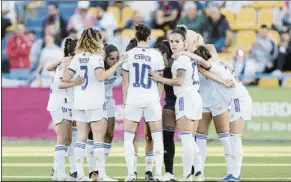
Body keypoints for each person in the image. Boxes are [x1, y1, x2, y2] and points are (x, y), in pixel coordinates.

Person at [62, 28, 124, 181]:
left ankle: (81, 175)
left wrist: (75, 82)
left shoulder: (77, 58)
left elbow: (64, 77)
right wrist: (119, 63)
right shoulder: (96, 58)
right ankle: (101, 175)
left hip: (79, 102)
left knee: (81, 138)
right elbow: (101, 76)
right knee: (98, 139)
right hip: (96, 102)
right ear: (96, 40)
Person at [150, 26, 203, 181]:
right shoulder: (190, 57)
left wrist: (160, 79)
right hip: (195, 98)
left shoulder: (180, 59)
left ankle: (187, 176)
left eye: (177, 41)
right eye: (171, 41)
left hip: (185, 98)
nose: (173, 44)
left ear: (184, 43)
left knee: (187, 140)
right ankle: (198, 172)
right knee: (192, 141)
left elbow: (179, 81)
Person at [185, 45, 236, 181]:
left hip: (219, 103)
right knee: (200, 138)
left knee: (224, 137)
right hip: (204, 104)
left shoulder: (213, 65)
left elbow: (206, 67)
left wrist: (190, 53)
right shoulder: (197, 67)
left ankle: (232, 172)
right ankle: (200, 172)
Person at [122, 24, 165, 181]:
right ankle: (158, 173)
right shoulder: (156, 55)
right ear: (149, 37)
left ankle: (131, 173)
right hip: (151, 99)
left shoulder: (129, 54)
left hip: (133, 99)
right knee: (157, 137)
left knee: (128, 137)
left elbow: (125, 81)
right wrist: (157, 97)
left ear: (136, 37)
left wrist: (125, 99)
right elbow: (160, 81)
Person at [46, 38, 83, 181]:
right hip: (61, 103)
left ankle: (58, 170)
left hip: (63, 103)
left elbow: (49, 67)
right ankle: (58, 174)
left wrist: (63, 59)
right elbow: (60, 84)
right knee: (63, 139)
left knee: (67, 139)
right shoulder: (68, 64)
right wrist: (75, 82)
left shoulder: (65, 61)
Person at [85, 44, 123, 180]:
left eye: (117, 58)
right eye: (111, 58)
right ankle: (92, 171)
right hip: (95, 102)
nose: (114, 61)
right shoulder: (98, 67)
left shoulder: (117, 68)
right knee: (93, 135)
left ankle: (100, 170)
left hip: (108, 101)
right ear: (105, 58)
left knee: (110, 134)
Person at [125, 38, 156, 181]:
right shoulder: (128, 59)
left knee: (148, 136)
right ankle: (134, 170)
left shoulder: (149, 58)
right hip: (135, 102)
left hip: (147, 100)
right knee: (135, 137)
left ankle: (147, 171)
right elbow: (125, 81)